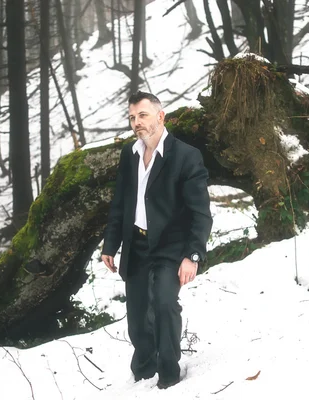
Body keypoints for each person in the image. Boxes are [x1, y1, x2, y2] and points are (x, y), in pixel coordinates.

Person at [101, 91, 213, 389]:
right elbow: (120, 203)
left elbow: (201, 214)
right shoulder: (129, 154)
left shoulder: (186, 156)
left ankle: (169, 376)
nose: (137, 123)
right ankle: (142, 375)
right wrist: (110, 244)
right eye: (132, 117)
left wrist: (193, 255)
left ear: (161, 116)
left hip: (171, 246)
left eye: (143, 115)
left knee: (164, 303)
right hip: (136, 245)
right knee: (137, 317)